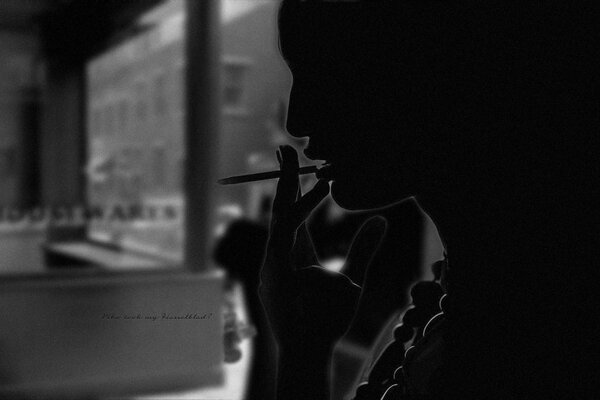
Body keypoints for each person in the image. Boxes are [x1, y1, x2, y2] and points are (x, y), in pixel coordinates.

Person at [259, 1, 597, 399]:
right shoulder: (452, 300)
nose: (296, 120)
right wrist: (305, 349)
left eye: (330, 73)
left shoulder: (547, 327)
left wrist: (302, 357)